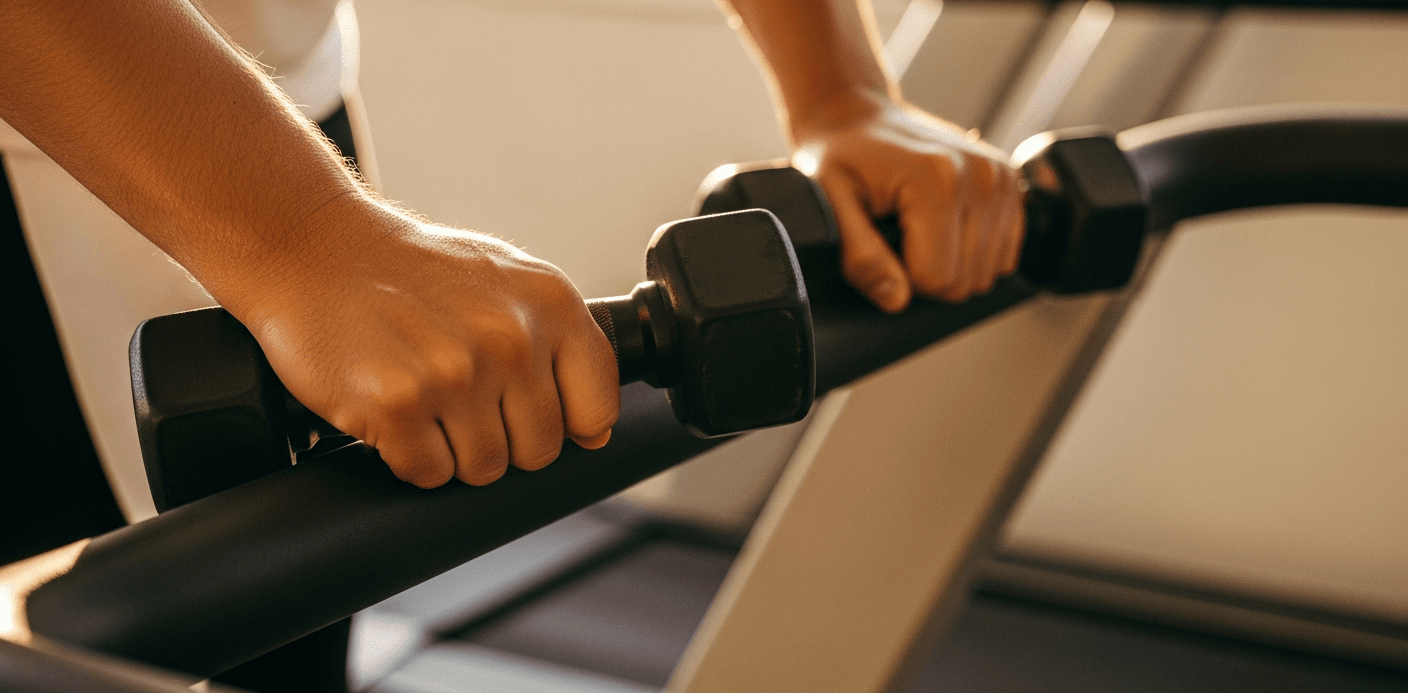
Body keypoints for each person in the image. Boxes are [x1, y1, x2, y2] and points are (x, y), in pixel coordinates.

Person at [0, 0, 1021, 501]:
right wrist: (299, 241)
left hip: (269, 103)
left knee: (260, 689)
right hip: (48, 129)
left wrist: (838, 91)